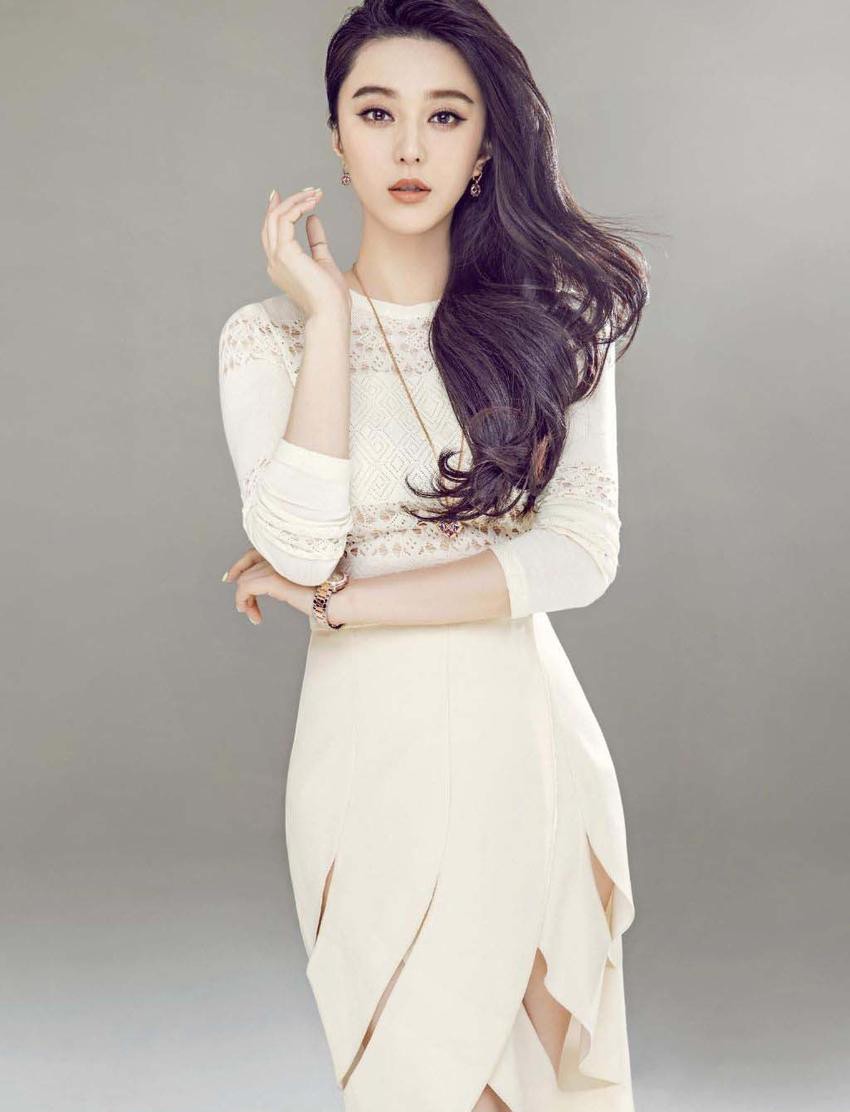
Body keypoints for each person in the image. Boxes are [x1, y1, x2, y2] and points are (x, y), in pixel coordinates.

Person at [218, 2, 649, 1109]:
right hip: (364, 755)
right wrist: (328, 319)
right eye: (377, 113)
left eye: (445, 115)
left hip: (525, 741)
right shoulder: (268, 336)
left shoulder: (558, 322)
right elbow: (296, 541)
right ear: (336, 137)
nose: (409, 147)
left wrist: (345, 604)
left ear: (486, 142)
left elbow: (581, 556)